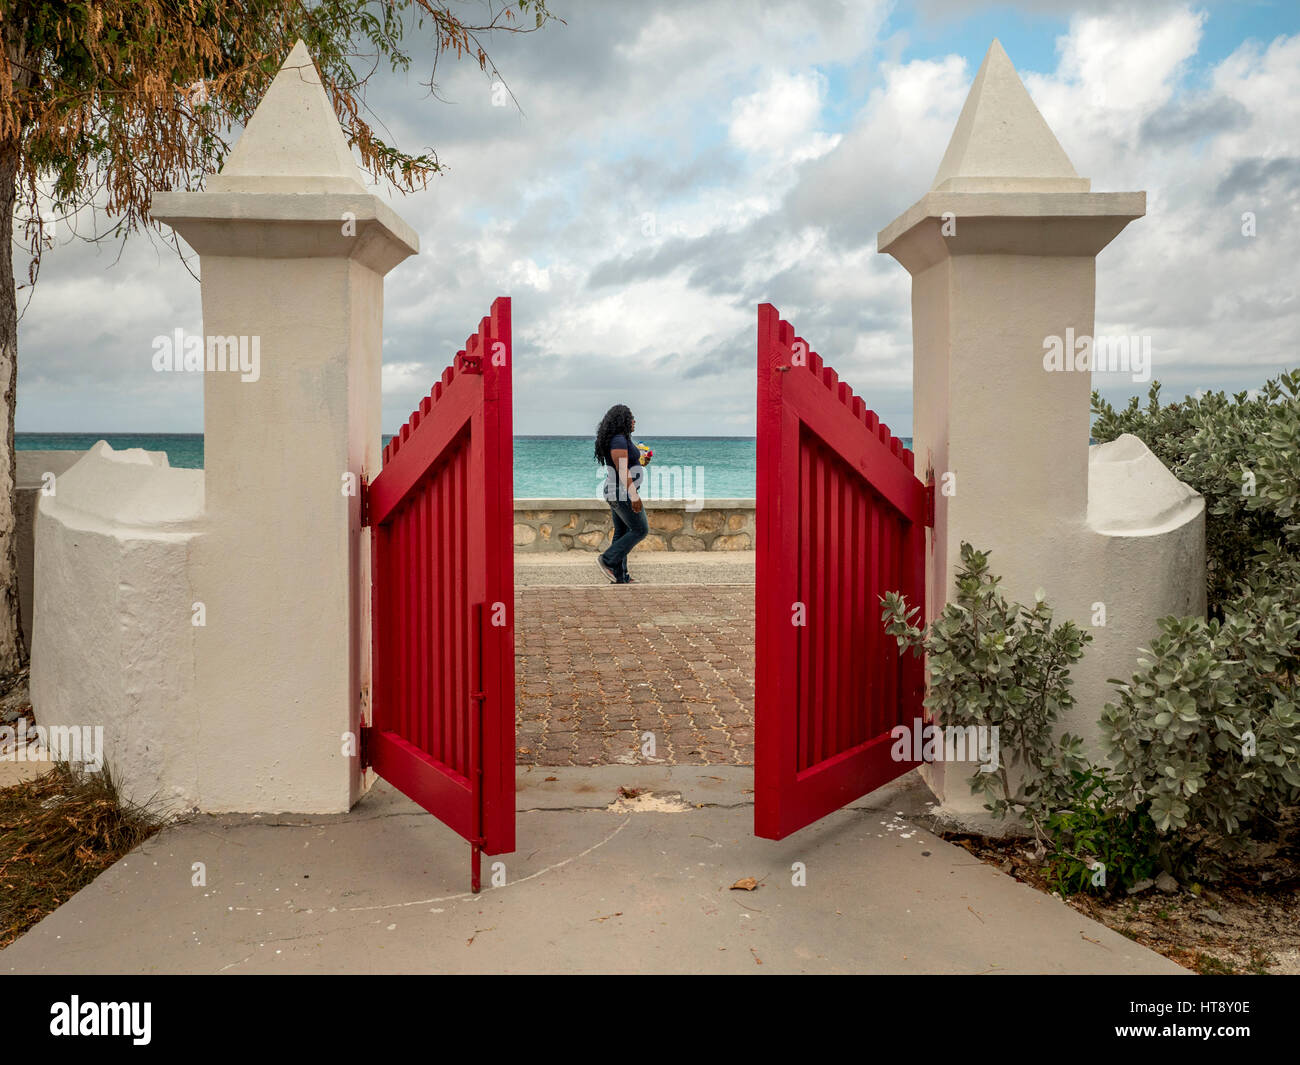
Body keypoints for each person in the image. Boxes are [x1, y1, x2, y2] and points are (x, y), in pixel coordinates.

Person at [594, 404, 648, 584]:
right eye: (631, 418)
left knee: (622, 530)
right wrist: (634, 495)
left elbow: (630, 464)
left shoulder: (623, 439)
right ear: (623, 421)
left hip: (617, 491)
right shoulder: (618, 440)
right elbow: (622, 469)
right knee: (640, 529)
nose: (634, 421)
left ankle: (620, 576)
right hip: (621, 492)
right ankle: (607, 559)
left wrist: (642, 461)